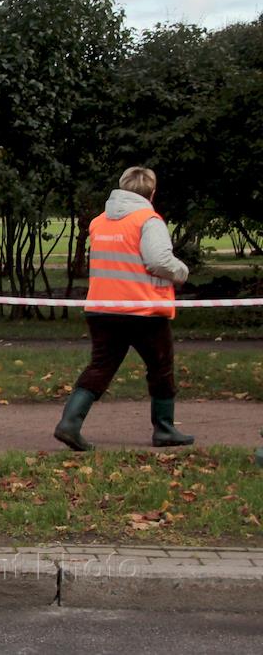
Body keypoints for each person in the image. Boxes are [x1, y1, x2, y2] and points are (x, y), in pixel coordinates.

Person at [54, 166, 191, 452]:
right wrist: (181, 272)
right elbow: (159, 261)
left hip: (102, 309)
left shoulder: (99, 222)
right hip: (142, 310)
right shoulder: (148, 220)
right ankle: (164, 429)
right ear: (151, 193)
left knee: (100, 366)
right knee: (161, 367)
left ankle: (69, 423)